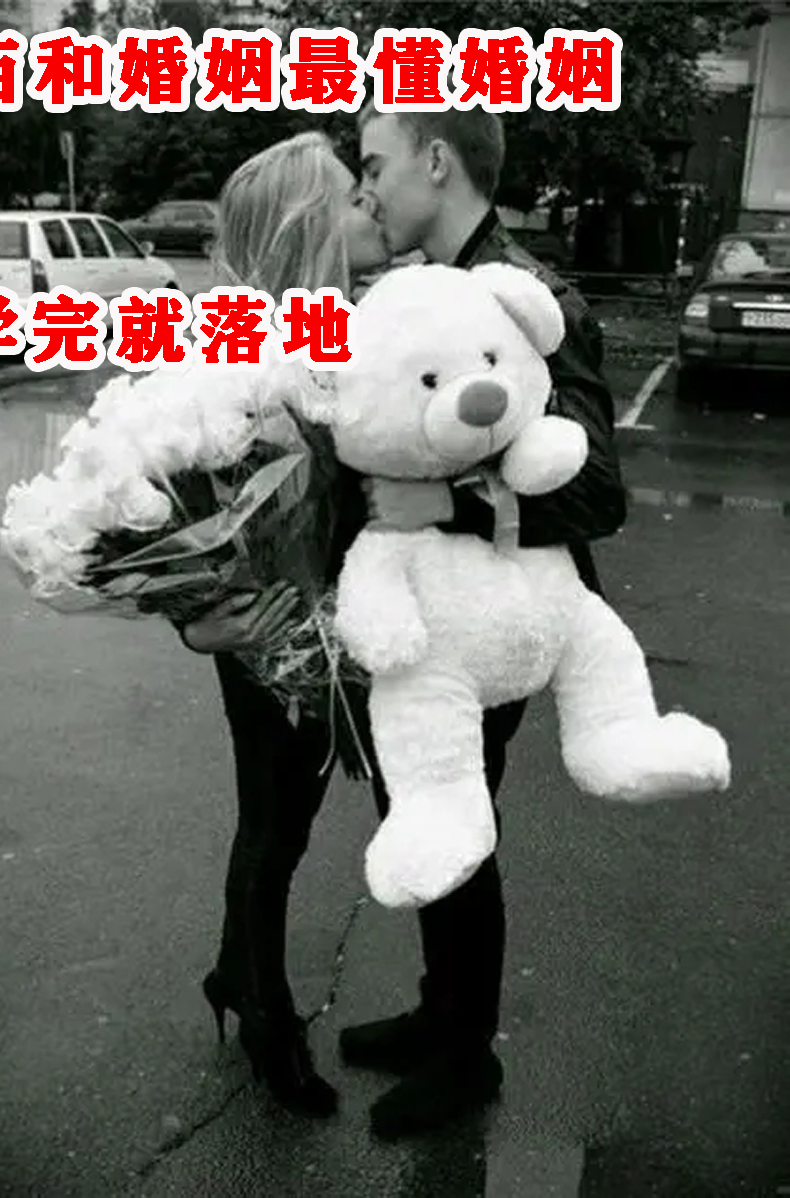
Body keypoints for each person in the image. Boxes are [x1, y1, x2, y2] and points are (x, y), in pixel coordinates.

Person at [331, 106, 627, 1139]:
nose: (366, 188)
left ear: (436, 161)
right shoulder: (427, 290)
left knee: (456, 813)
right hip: (430, 613)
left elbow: (597, 490)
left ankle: (465, 1057)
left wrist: (448, 505)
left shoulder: (526, 296)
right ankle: (440, 1014)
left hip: (500, 617)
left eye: (376, 164)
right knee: (423, 801)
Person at [179, 131, 390, 1119]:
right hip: (266, 629)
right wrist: (195, 623)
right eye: (351, 196)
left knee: (288, 822)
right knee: (272, 824)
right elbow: (176, 512)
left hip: (332, 622)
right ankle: (264, 1014)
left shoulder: (350, 327)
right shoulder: (239, 355)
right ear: (309, 226)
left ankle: (235, 972)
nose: (369, 206)